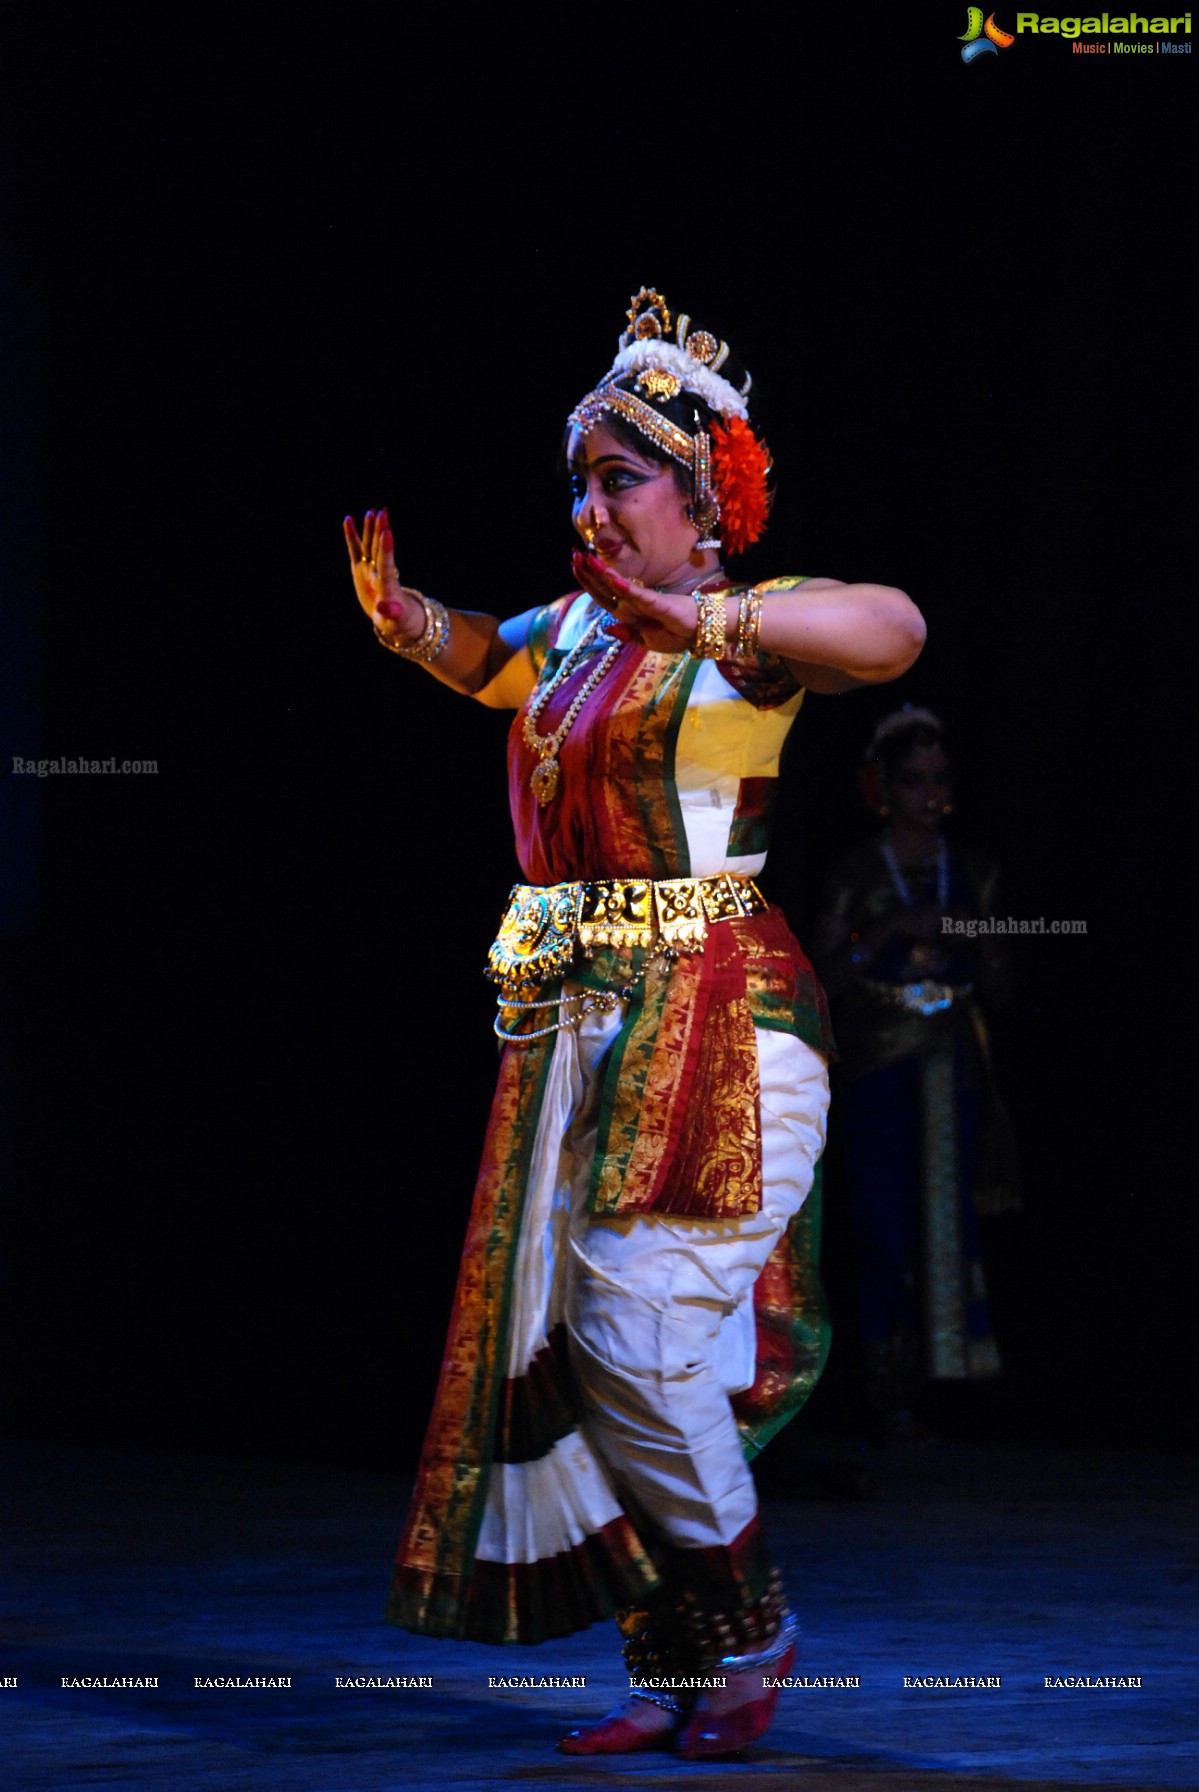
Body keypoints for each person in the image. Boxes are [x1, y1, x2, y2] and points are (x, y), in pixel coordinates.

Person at [344, 288, 924, 1758]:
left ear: (700, 495)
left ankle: (754, 1632)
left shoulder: (747, 632)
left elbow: (894, 628)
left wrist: (708, 613)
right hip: (582, 1018)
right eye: (579, 485)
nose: (591, 511)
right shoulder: (581, 634)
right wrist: (415, 627)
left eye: (620, 482)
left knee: (635, 1318)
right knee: (586, 1342)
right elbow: (494, 661)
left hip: (723, 1014)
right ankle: (681, 1659)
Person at [812, 707, 1019, 1441]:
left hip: (952, 1065)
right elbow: (822, 982)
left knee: (949, 1221)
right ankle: (882, 1388)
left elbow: (1002, 981)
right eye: (912, 781)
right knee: (880, 1224)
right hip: (877, 1068)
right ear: (882, 787)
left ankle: (951, 1386)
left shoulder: (972, 871)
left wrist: (970, 936)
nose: (929, 795)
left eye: (939, 780)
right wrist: (887, 933)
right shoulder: (856, 873)